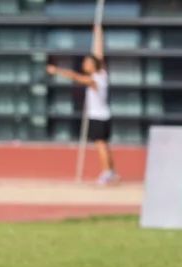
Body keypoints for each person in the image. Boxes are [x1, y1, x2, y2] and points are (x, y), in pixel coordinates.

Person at [46, 24, 118, 185]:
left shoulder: (94, 79)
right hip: (104, 115)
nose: (85, 64)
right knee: (104, 145)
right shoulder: (102, 73)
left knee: (101, 146)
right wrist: (98, 32)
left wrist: (56, 70)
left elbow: (75, 77)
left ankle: (107, 173)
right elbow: (98, 52)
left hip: (98, 117)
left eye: (87, 62)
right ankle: (111, 172)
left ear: (93, 65)